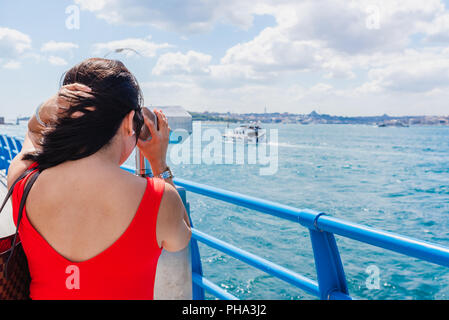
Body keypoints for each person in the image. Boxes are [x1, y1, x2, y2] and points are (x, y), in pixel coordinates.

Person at [6, 58, 191, 300]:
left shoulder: (23, 180)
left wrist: (44, 109)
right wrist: (158, 163)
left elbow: (33, 131)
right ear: (128, 123)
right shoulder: (160, 198)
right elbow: (181, 239)